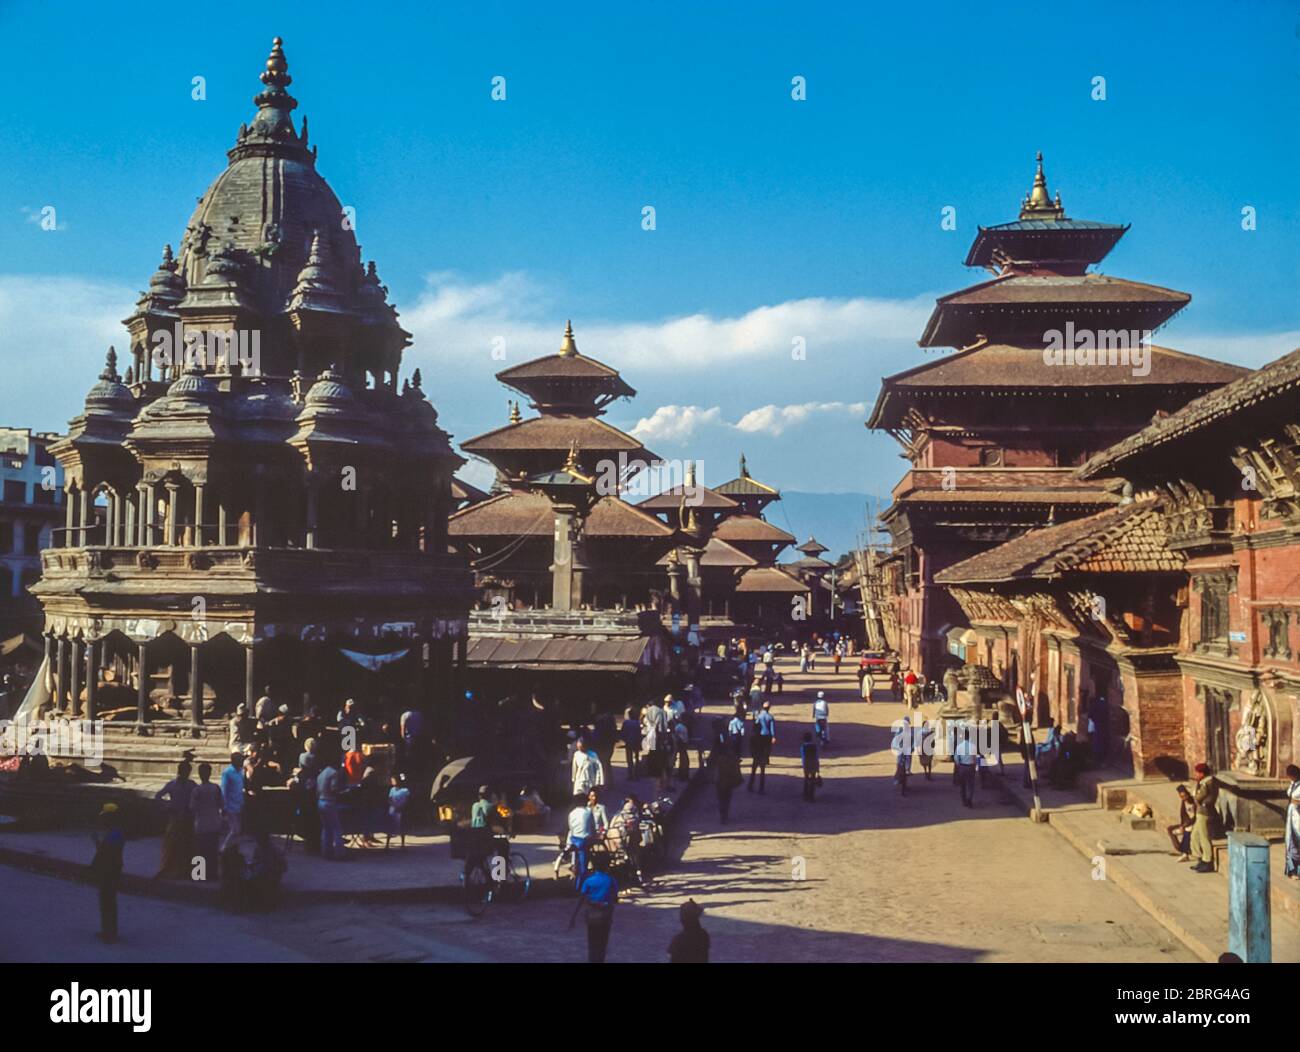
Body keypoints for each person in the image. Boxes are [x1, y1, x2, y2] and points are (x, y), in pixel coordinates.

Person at [570, 851, 618, 963]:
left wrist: (573, 918)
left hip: (592, 917)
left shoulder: (589, 881)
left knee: (592, 944)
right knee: (602, 944)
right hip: (605, 917)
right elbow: (614, 898)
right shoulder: (611, 880)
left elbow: (581, 900)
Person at [153, 760, 195, 880]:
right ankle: (167, 868)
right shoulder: (172, 784)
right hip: (175, 817)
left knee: (186, 845)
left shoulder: (191, 785)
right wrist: (167, 806)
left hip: (187, 817)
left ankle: (184, 870)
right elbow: (158, 796)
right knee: (170, 845)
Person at [89, 803, 125, 942]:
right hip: (112, 867)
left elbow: (107, 852)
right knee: (107, 900)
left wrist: (97, 842)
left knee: (107, 900)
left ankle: (109, 933)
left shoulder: (115, 833)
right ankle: (108, 931)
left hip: (110, 869)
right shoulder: (115, 832)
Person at [191, 762, 224, 880]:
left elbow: (192, 807)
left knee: (200, 850)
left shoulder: (197, 790)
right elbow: (221, 804)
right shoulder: (216, 788)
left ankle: (199, 874)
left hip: (201, 823)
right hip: (214, 822)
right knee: (212, 850)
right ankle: (212, 874)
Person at [1189, 762, 1218, 873]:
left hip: (1204, 812)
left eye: (1197, 773)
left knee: (1204, 837)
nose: (1196, 775)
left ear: (1202, 773)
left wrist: (1196, 797)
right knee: (1195, 835)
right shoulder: (1203, 782)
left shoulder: (1208, 782)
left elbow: (1200, 796)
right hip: (1200, 811)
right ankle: (1199, 857)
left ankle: (1207, 861)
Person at [317, 758, 347, 861]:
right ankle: (340, 853)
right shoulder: (334, 773)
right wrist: (343, 791)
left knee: (326, 828)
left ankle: (326, 852)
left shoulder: (321, 774)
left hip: (320, 801)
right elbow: (334, 788)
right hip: (329, 801)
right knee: (336, 828)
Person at [566, 794, 596, 887]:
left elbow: (571, 828)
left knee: (576, 857)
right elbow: (592, 827)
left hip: (574, 839)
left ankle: (573, 866)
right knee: (584, 866)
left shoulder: (571, 813)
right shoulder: (588, 812)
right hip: (584, 841)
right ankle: (581, 886)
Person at [219, 752, 245, 852]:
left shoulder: (240, 771)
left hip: (239, 803)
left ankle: (235, 849)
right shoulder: (227, 773)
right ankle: (224, 848)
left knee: (238, 830)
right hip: (230, 805)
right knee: (235, 829)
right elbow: (224, 790)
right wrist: (224, 806)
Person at [713, 734, 743, 822]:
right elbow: (736, 770)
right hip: (728, 781)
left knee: (721, 798)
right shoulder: (732, 758)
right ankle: (724, 814)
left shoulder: (719, 758)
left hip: (720, 781)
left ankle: (723, 813)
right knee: (727, 798)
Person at [750, 700, 775, 793]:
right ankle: (761, 788)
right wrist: (773, 736)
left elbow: (754, 727)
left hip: (757, 750)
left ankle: (750, 785)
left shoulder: (759, 717)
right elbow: (772, 728)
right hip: (767, 737)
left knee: (754, 768)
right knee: (762, 769)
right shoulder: (770, 717)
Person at [1166, 784, 1195, 861]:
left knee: (1187, 831)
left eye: (1185, 796)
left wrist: (1184, 826)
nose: (1184, 798)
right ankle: (1180, 849)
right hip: (1186, 823)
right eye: (1181, 797)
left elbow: (1194, 817)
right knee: (1170, 829)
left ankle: (1185, 851)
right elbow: (1184, 815)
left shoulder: (1193, 802)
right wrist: (1182, 825)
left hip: (1193, 823)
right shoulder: (1183, 802)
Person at [953, 726, 978, 808]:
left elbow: (956, 758)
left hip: (962, 767)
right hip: (970, 767)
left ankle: (964, 800)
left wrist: (958, 766)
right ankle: (969, 799)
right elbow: (975, 758)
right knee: (971, 785)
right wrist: (974, 766)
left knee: (962, 785)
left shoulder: (959, 746)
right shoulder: (973, 746)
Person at [1284, 764, 1300, 880]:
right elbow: (1289, 794)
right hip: (1291, 816)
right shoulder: (1293, 784)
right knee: (1290, 844)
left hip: (1298, 816)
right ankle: (1291, 871)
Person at [620, 707, 641, 779]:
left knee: (629, 758)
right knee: (636, 758)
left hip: (628, 742)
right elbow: (639, 733)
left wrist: (624, 739)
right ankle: (637, 773)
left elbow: (623, 732)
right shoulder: (637, 723)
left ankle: (630, 774)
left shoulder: (626, 723)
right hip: (636, 742)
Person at [800, 732, 820, 802]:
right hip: (814, 763)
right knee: (813, 779)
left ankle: (806, 794)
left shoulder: (803, 747)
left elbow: (803, 757)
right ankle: (812, 795)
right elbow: (817, 756)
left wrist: (803, 764)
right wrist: (818, 765)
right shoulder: (815, 746)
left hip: (807, 763)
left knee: (806, 778)